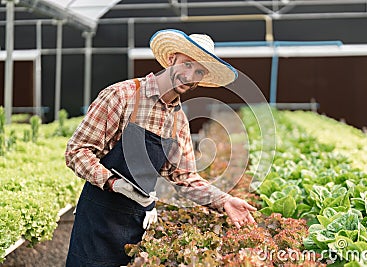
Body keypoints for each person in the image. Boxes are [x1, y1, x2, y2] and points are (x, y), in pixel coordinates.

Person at [65, 29, 256, 267]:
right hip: (98, 219)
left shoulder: (178, 122)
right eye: (187, 64)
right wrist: (112, 182)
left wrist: (224, 200)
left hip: (136, 222)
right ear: (171, 59)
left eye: (198, 71)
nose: (190, 75)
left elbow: (185, 178)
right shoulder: (122, 96)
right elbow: (77, 151)